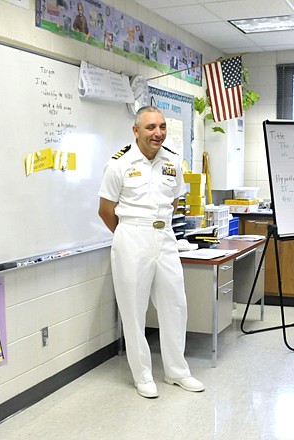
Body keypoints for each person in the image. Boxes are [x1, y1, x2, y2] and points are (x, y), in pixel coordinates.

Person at [98, 106, 204, 398]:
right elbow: (105, 211)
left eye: (161, 127)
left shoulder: (172, 160)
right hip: (132, 235)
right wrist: (129, 235)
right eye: (150, 128)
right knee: (133, 310)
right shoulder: (118, 164)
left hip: (165, 235)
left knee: (175, 305)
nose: (157, 133)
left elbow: (173, 202)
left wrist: (158, 230)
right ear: (136, 131)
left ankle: (177, 371)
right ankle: (143, 375)